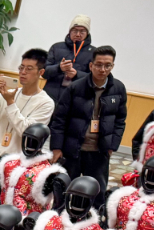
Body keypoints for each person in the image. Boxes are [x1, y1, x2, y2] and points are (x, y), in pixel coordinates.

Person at [49, 46, 126, 207]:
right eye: (98, 64)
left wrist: (112, 145)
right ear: (91, 65)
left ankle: (94, 227)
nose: (102, 69)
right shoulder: (75, 87)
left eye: (107, 65)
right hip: (72, 150)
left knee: (97, 194)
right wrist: (56, 147)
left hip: (99, 152)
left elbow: (120, 120)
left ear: (112, 66)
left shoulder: (118, 89)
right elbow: (59, 119)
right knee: (65, 191)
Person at [0, 48, 56, 193]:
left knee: (8, 209)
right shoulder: (9, 94)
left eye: (29, 69)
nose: (23, 72)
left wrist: (11, 103)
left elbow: (27, 132)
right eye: (21, 67)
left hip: (18, 165)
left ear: (41, 73)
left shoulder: (46, 103)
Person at [43, 15, 94, 106]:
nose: (78, 34)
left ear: (87, 33)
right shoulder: (56, 47)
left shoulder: (94, 53)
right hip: (50, 97)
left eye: (82, 31)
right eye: (75, 30)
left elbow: (95, 79)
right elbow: (43, 72)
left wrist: (77, 75)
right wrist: (59, 68)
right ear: (69, 31)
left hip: (76, 99)